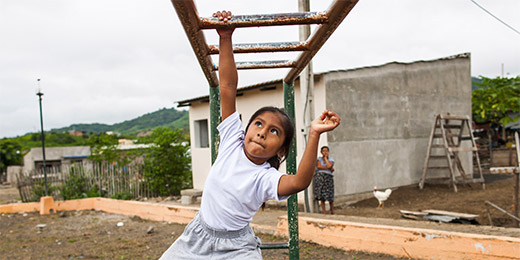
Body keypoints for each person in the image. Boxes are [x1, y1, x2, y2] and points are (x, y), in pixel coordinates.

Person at [160, 10, 340, 260]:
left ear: (280, 150)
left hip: (236, 248)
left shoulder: (265, 177)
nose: (262, 132)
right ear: (246, 129)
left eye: (273, 131)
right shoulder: (232, 141)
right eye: (258, 124)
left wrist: (314, 134)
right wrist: (225, 38)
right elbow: (227, 87)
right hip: (197, 237)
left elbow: (299, 182)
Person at [314, 146, 335, 214]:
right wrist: (329, 168)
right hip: (320, 178)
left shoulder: (331, 159)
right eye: (324, 151)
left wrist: (326, 159)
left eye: (326, 151)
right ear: (321, 152)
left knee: (330, 195)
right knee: (322, 195)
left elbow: (329, 166)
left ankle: (332, 210)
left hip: (328, 178)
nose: (325, 152)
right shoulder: (319, 159)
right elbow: (319, 166)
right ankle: (324, 212)